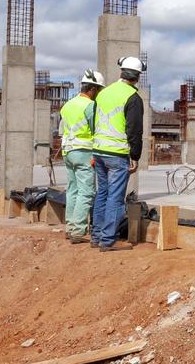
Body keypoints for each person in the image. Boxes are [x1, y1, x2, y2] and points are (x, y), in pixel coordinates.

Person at [90, 55, 146, 252]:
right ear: (138, 77)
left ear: (121, 72)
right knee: (115, 197)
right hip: (117, 153)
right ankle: (107, 241)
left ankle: (96, 236)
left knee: (101, 194)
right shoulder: (133, 98)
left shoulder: (103, 93)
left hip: (98, 150)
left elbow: (93, 121)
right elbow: (134, 131)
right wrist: (135, 156)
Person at [59, 69, 104, 244]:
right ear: (93, 90)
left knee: (73, 190)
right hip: (84, 152)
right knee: (87, 192)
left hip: (68, 151)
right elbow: (96, 130)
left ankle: (70, 227)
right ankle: (78, 230)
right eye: (98, 91)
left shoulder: (68, 105)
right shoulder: (90, 106)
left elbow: (63, 130)